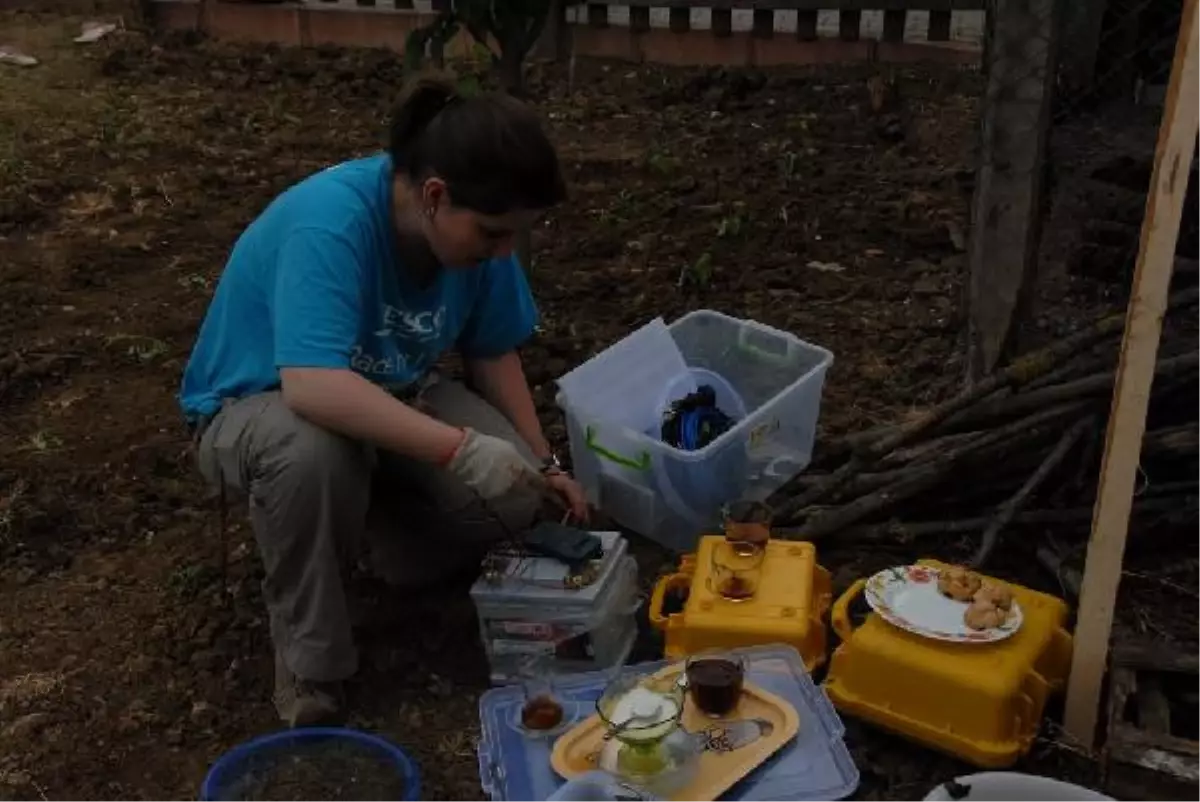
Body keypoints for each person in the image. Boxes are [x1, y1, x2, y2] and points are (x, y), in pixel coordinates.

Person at [179, 76, 590, 727]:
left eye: (515, 234)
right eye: (492, 234)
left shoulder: (479, 231)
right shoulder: (331, 223)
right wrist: (457, 448)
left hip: (392, 391)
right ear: (434, 195)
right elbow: (312, 386)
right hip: (261, 404)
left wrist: (544, 464)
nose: (504, 250)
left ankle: (379, 538)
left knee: (512, 493)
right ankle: (312, 665)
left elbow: (492, 351)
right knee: (313, 455)